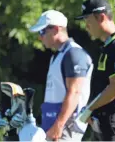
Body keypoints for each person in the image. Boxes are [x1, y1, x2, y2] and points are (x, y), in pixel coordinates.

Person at [75, 0, 115, 141]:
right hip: (103, 120)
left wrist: (90, 108)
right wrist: (91, 109)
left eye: (88, 20)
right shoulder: (107, 47)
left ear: (101, 17)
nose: (86, 26)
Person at [29, 10, 94, 141]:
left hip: (65, 127)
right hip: (54, 124)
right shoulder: (58, 55)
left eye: (42, 32)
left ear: (56, 29)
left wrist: (59, 125)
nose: (40, 37)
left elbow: (75, 92)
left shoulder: (73, 54)